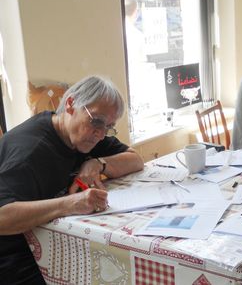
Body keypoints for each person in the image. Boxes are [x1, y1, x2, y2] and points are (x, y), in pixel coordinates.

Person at [0, 75, 144, 284]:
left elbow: (136, 159)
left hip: (55, 240)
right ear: (70, 104)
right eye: (97, 122)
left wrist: (98, 163)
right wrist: (69, 204)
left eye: (109, 127)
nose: (101, 135)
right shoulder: (30, 153)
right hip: (14, 258)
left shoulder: (85, 134)